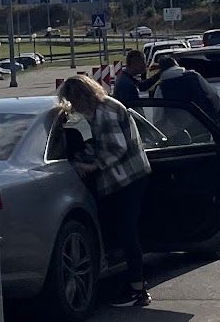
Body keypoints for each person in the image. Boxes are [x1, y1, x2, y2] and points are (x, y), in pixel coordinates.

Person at [58, 74, 153, 307]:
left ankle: (137, 289)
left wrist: (91, 165)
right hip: (131, 175)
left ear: (80, 97)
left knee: (127, 232)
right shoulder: (104, 108)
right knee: (125, 230)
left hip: (127, 178)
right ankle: (133, 282)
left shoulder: (105, 112)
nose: (73, 108)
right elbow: (103, 143)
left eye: (73, 101)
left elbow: (116, 148)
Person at [151, 50, 220, 121]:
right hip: (206, 123)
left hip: (180, 129)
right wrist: (212, 114)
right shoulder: (194, 76)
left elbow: (158, 117)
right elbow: (214, 95)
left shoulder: (161, 88)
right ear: (176, 65)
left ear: (161, 71)